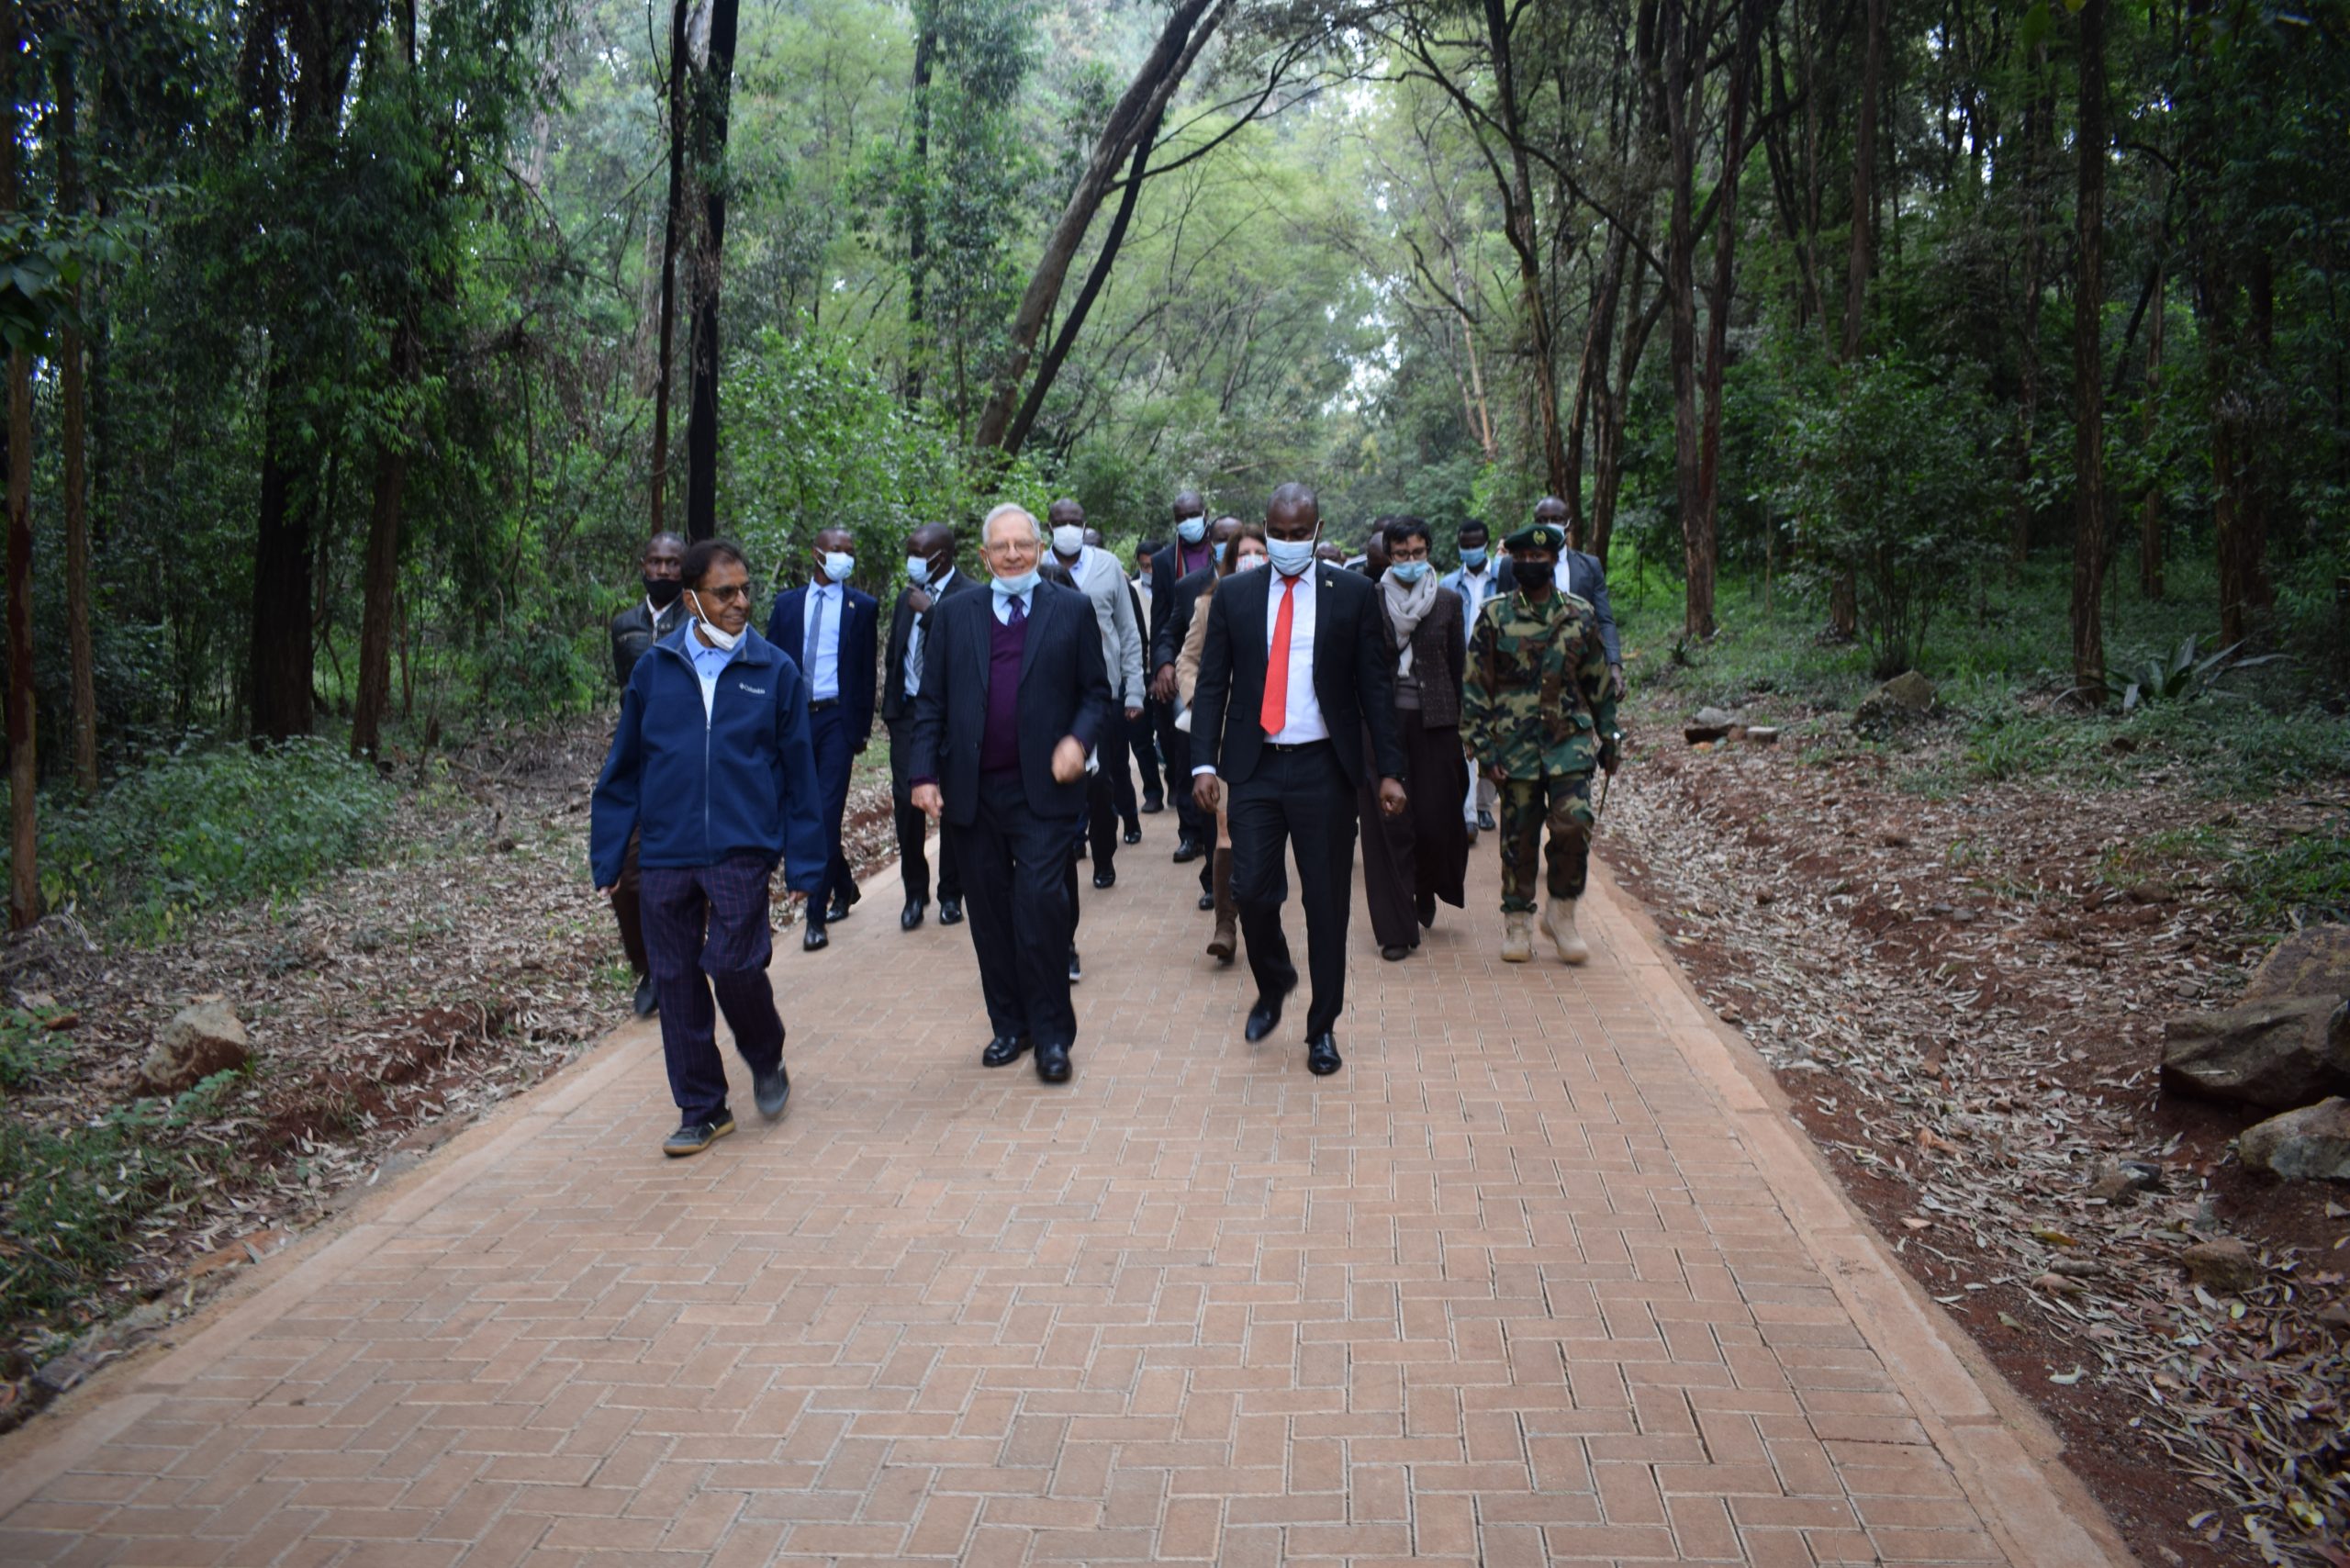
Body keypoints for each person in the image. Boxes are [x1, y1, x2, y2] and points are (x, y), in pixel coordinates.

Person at [591, 539, 827, 1157]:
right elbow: (624, 769)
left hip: (740, 848)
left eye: (745, 590)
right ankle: (703, 1108)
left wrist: (805, 863)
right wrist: (609, 854)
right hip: (666, 850)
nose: (740, 602)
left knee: (733, 965)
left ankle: (765, 1053)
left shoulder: (774, 670)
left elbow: (800, 776)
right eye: (725, 593)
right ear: (693, 599)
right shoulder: (654, 669)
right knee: (674, 981)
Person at [1190, 483, 1407, 1077]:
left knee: (1326, 904)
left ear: (1317, 531)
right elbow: (1212, 684)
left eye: (1299, 534)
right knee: (1252, 890)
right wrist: (1203, 762)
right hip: (1255, 766)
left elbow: (1375, 689)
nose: (1288, 543)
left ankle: (1322, 1028)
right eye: (1278, 534)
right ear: (1265, 529)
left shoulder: (1353, 595)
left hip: (1323, 769)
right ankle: (1276, 978)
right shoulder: (1236, 595)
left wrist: (1390, 771)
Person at [909, 503, 1113, 1085]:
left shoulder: (1070, 609)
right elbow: (931, 702)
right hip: (973, 792)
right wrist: (923, 774)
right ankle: (1010, 1025)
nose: (1014, 554)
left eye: (1023, 544)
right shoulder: (955, 615)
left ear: (1040, 548)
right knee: (990, 915)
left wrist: (1078, 740)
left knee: (1040, 908)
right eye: (1001, 547)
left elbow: (1095, 693)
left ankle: (1052, 1037)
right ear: (985, 556)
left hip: (1044, 792)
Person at [1463, 520, 1621, 965]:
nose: (1530, 563)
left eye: (1539, 557)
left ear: (1553, 560)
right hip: (1513, 747)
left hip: (1569, 742)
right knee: (1519, 837)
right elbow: (1475, 686)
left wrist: (1610, 736)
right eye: (1523, 557)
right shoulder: (1495, 616)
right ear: (1513, 562)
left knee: (1575, 823)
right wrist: (1482, 748)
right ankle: (1518, 921)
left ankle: (1562, 913)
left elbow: (1597, 682)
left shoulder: (1580, 614)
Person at [1359, 517, 1470, 960]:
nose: (1410, 561)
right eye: (1401, 554)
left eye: (1417, 553)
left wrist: (1463, 727)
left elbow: (1457, 668)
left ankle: (1425, 885)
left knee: (1434, 820)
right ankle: (1395, 930)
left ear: (1429, 553)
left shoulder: (1447, 602)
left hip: (1436, 725)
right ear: (1389, 555)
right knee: (1387, 825)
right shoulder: (1369, 599)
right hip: (1382, 725)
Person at [765, 529, 878, 951]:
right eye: (836, 550)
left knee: (825, 816)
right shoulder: (787, 605)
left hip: (836, 721)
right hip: (794, 720)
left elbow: (865, 673)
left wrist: (859, 730)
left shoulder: (862, 607)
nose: (845, 556)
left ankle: (815, 917)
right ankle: (843, 885)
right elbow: (770, 663)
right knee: (796, 810)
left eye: (850, 550)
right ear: (816, 554)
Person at [1174, 521, 1268, 964]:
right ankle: (1226, 925)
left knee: (1261, 835)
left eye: (1258, 553)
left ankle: (1260, 917)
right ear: (1229, 561)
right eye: (1242, 554)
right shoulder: (1210, 602)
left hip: (1279, 735)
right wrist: (1203, 702)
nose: (1251, 560)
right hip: (1229, 732)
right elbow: (1187, 661)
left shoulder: (1289, 602)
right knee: (1226, 829)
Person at [606, 532, 687, 1016]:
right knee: (625, 872)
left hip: (685, 762)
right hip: (639, 761)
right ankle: (649, 967)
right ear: (643, 565)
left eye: (672, 563)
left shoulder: (698, 621)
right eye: (655, 562)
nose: (662, 571)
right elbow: (626, 692)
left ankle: (675, 963)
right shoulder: (624, 626)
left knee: (682, 874)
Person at [1047, 501, 1145, 890]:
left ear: (1084, 523)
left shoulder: (1107, 566)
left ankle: (1104, 855)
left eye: (1075, 522)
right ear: (1049, 526)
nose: (1068, 528)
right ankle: (1068, 848)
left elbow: (1128, 630)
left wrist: (1134, 689)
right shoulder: (1036, 566)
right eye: (1061, 522)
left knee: (1100, 781)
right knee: (1057, 777)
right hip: (1053, 692)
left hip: (1102, 691)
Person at [881, 523, 973, 931]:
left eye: (918, 554)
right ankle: (914, 892)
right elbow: (895, 654)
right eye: (910, 553)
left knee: (951, 803)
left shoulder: (971, 595)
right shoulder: (907, 597)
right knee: (907, 802)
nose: (911, 561)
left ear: (942, 557)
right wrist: (891, 711)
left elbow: (968, 650)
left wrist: (932, 613)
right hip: (908, 715)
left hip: (952, 716)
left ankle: (951, 893)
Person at [1151, 515, 1244, 912]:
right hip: (1210, 716)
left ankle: (1249, 879)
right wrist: (1191, 695)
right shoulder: (1193, 589)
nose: (1227, 544)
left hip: (1259, 721)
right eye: (1220, 538)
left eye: (1234, 538)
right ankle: (1214, 882)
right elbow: (1171, 638)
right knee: (1211, 803)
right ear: (1210, 542)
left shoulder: (1273, 587)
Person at [1146, 491, 1215, 864]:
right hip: (1188, 670)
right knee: (1185, 749)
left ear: (1206, 515)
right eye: (1181, 516)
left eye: (1193, 514)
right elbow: (1163, 624)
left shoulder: (1237, 559)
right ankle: (1191, 833)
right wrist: (1162, 665)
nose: (1188, 521)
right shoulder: (1164, 562)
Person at [1498, 497, 1626, 700]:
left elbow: (1604, 620)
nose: (1549, 525)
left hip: (1578, 673)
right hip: (1526, 677)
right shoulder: (1511, 566)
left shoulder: (1589, 567)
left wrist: (1614, 665)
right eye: (1542, 520)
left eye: (1556, 519)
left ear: (1569, 525)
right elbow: (1500, 623)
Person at [1440, 521, 1504, 841]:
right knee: (1464, 738)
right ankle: (1467, 816)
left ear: (1486, 544)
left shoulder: (1503, 578)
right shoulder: (1449, 583)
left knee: (1495, 737)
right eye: (1464, 544)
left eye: (1475, 544)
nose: (1470, 549)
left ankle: (1483, 805)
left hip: (1499, 672)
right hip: (1461, 671)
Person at [1129, 538, 1170, 814]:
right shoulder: (1130, 590)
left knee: (1169, 735)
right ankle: (1152, 792)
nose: (1149, 571)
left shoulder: (1173, 586)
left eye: (1153, 566)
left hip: (1167, 672)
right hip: (1137, 672)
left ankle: (1175, 783)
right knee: (1140, 738)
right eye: (1144, 566)